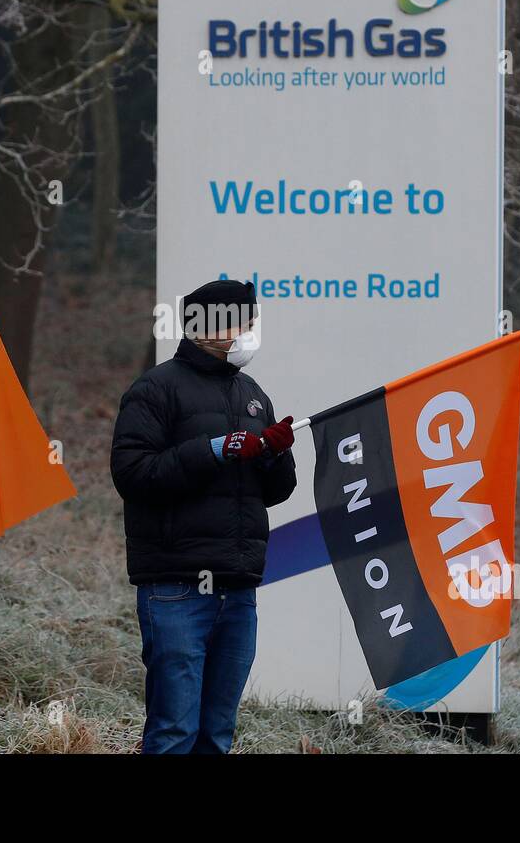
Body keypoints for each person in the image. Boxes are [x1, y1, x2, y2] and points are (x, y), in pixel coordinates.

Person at [111, 279, 297, 753]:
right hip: (174, 586)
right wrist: (215, 450)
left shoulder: (253, 394)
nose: (253, 332)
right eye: (246, 322)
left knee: (217, 734)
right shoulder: (154, 390)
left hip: (237, 589)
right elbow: (133, 474)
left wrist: (274, 456)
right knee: (174, 732)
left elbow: (277, 492)